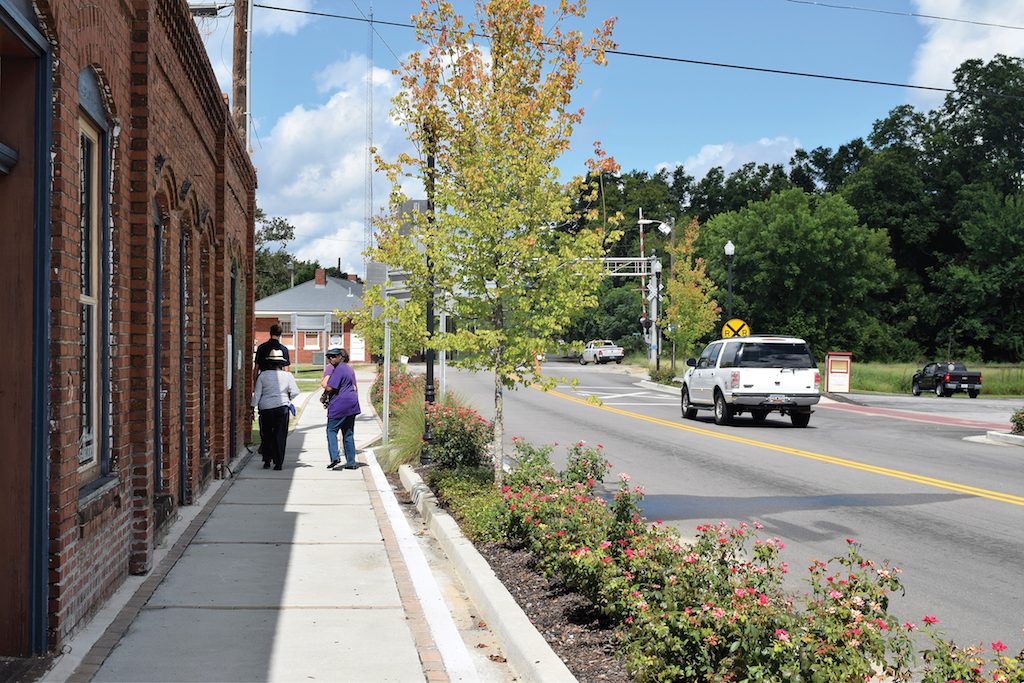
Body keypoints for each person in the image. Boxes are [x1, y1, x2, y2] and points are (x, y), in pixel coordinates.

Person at [251, 348, 300, 470]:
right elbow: (295, 391)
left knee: (266, 434)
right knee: (280, 435)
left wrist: (252, 407)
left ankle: (267, 460)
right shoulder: (287, 376)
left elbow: (257, 394)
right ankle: (278, 463)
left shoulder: (262, 376)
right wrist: (287, 399)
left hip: (265, 408)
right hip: (282, 407)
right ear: (281, 363)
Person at [324, 347, 361, 470]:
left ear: (340, 357)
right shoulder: (349, 369)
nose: (331, 359)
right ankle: (351, 462)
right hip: (352, 404)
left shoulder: (338, 369)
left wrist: (324, 395)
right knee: (348, 433)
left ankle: (335, 456)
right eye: (329, 357)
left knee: (331, 430)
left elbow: (330, 387)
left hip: (340, 404)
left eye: (333, 356)